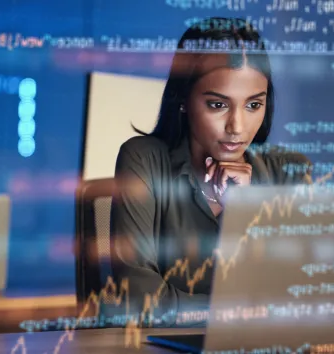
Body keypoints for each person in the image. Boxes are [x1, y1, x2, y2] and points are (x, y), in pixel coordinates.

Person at [108, 18, 313, 327]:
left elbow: (302, 298)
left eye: (253, 105)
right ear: (183, 100)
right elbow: (139, 297)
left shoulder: (291, 172)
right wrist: (241, 311)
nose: (237, 127)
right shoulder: (144, 159)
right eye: (218, 104)